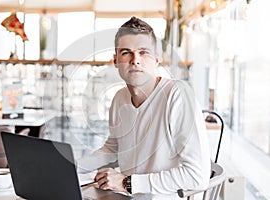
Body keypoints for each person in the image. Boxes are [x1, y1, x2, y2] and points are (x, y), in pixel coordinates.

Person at [78, 16, 210, 197]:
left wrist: (127, 182)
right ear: (115, 61)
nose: (135, 60)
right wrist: (71, 168)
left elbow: (197, 176)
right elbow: (113, 149)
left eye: (143, 52)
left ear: (156, 59)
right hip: (124, 196)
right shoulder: (119, 99)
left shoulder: (177, 95)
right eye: (126, 52)